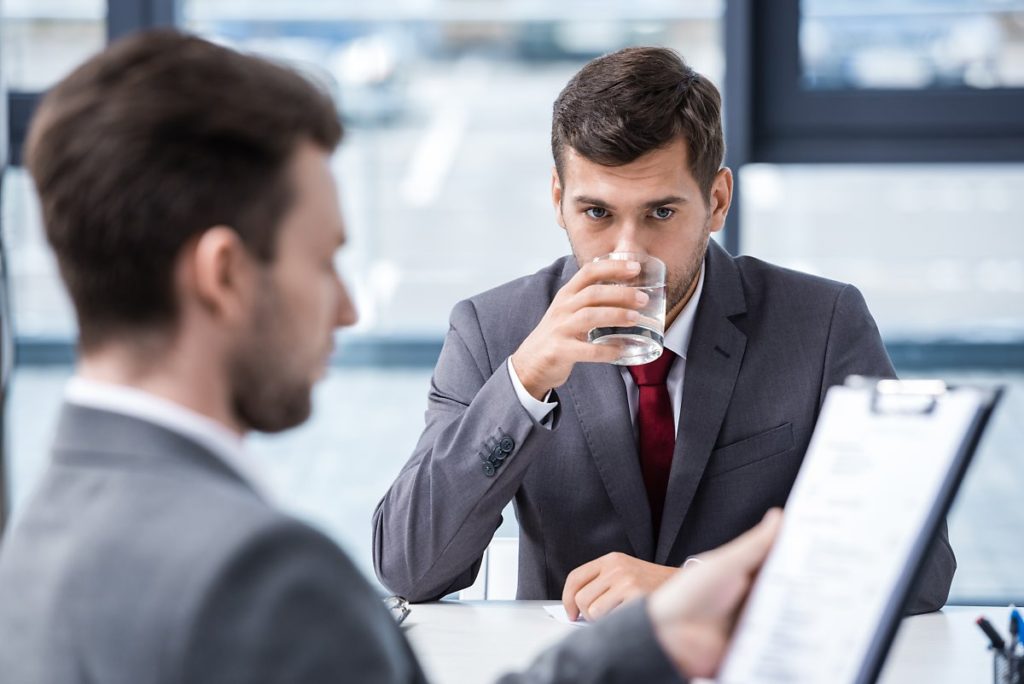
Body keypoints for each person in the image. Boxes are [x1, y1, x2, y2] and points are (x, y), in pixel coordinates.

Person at [0, 30, 783, 684]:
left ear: (715, 201)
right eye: (324, 258)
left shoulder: (34, 545)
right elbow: (412, 562)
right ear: (225, 274)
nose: (346, 306)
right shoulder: (260, 575)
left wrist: (666, 615)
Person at [372, 46, 956, 619]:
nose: (628, 253)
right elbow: (409, 567)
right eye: (597, 213)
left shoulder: (822, 323)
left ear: (718, 201)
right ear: (558, 199)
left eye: (661, 213)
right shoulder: (493, 331)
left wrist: (696, 587)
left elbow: (923, 566)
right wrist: (523, 384)